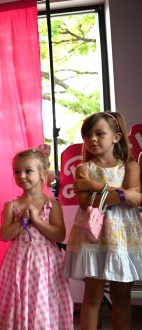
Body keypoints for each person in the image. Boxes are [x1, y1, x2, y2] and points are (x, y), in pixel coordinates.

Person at [64, 112, 142, 330]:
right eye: (87, 136)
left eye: (99, 134)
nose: (92, 139)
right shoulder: (84, 169)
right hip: (93, 237)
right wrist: (124, 194)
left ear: (116, 137)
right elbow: (85, 203)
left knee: (121, 298)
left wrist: (93, 187)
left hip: (123, 239)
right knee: (93, 297)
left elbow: (134, 200)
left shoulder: (131, 167)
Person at [0, 146, 73, 329]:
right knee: (18, 296)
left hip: (45, 261)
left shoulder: (51, 204)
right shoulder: (12, 205)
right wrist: (22, 221)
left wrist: (37, 221)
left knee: (43, 297)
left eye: (28, 171)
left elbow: (59, 234)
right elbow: (4, 235)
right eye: (17, 171)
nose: (21, 175)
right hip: (18, 260)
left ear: (42, 174)